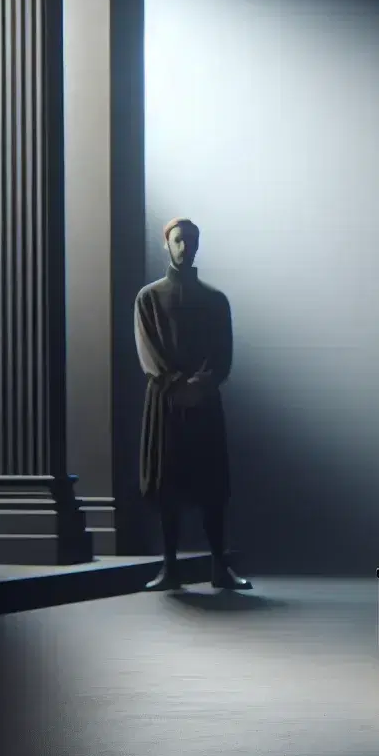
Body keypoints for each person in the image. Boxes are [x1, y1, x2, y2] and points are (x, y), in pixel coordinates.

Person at [135, 217, 251, 591]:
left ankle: (220, 565)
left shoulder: (216, 300)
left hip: (202, 403)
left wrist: (200, 384)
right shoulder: (148, 298)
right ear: (167, 244)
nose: (185, 247)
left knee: (212, 484)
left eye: (191, 241)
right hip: (166, 403)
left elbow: (223, 355)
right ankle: (170, 567)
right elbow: (149, 350)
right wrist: (174, 384)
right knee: (168, 484)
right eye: (179, 240)